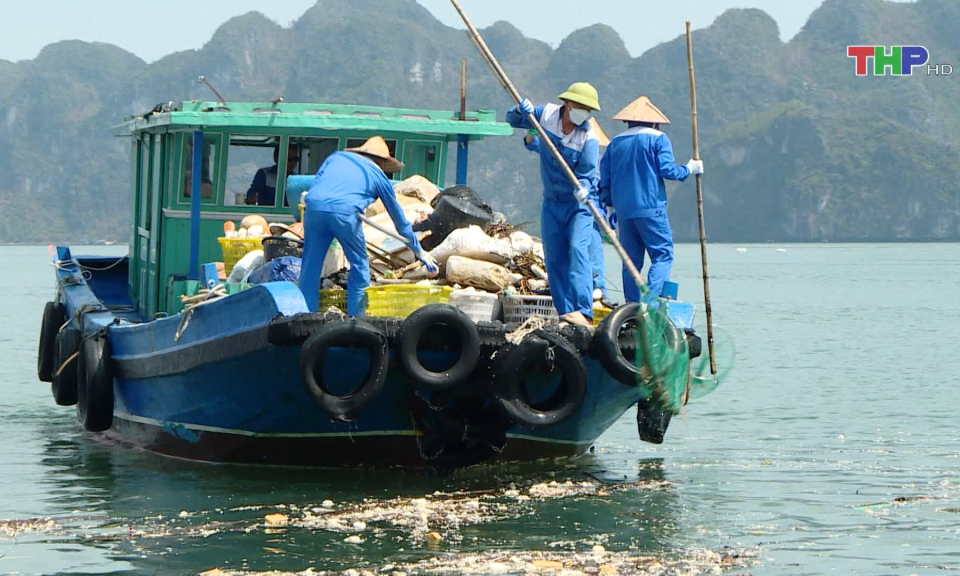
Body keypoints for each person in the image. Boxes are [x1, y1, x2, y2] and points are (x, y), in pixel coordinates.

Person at [298, 136, 438, 315]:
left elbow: (316, 187)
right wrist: (419, 250)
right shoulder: (378, 175)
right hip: (345, 215)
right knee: (359, 266)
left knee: (310, 267)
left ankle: (304, 317)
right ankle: (357, 320)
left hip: (314, 210)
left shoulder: (335, 157)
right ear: (381, 161)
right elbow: (400, 221)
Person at [506, 82, 601, 326]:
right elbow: (513, 121)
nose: (584, 113)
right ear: (568, 103)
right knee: (555, 257)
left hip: (577, 204)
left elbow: (588, 174)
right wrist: (520, 110)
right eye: (581, 107)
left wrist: (585, 189)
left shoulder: (588, 136)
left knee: (579, 249)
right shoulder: (545, 115)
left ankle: (584, 311)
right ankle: (565, 313)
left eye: (588, 109)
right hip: (552, 203)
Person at [598, 96, 704, 302]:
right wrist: (689, 169)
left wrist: (610, 205)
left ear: (627, 121)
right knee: (663, 255)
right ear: (655, 122)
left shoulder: (614, 144)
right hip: (650, 208)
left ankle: (631, 306)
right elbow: (667, 169)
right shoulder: (658, 138)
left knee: (630, 262)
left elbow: (606, 181)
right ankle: (650, 305)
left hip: (624, 212)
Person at [522, 118, 612, 303]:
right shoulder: (566, 155)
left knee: (589, 250)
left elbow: (606, 190)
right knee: (573, 251)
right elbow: (537, 146)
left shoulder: (600, 161)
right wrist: (530, 134)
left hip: (591, 208)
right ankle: (576, 295)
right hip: (571, 204)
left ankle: (599, 291)